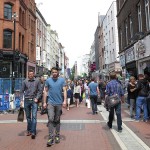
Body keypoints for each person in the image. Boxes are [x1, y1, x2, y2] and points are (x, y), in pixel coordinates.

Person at [43, 67, 67, 146]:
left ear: (58, 73)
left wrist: (65, 101)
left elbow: (64, 90)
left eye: (55, 72)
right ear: (51, 73)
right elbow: (45, 91)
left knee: (57, 120)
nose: (54, 73)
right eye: (53, 72)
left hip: (59, 103)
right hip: (50, 102)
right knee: (50, 119)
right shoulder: (48, 81)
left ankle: (57, 135)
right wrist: (44, 102)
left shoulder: (62, 80)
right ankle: (50, 137)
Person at [20, 69, 42, 139]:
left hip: (34, 100)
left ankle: (33, 132)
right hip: (26, 100)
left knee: (34, 117)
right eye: (30, 74)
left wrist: (37, 98)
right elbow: (21, 91)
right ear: (28, 74)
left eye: (32, 74)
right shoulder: (25, 81)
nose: (31, 75)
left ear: (33, 74)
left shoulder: (37, 81)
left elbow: (40, 90)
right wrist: (21, 100)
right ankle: (29, 130)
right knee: (28, 117)